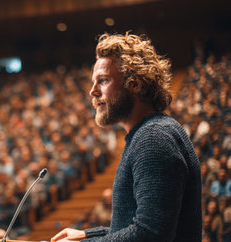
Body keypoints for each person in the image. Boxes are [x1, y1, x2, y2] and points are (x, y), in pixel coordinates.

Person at [51, 32, 201, 241]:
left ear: (135, 84)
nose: (92, 92)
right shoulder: (149, 134)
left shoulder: (153, 139)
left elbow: (151, 235)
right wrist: (88, 234)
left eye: (102, 81)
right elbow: (137, 225)